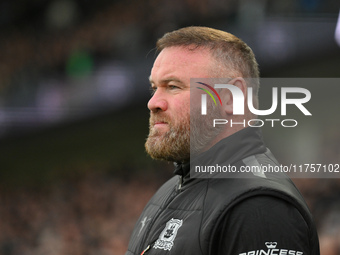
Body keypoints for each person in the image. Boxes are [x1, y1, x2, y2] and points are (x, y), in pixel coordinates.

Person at [125, 26, 320, 255]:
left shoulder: (258, 207)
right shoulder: (172, 188)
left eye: (173, 86)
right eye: (154, 87)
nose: (153, 102)